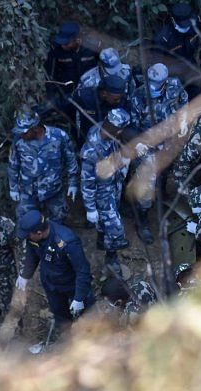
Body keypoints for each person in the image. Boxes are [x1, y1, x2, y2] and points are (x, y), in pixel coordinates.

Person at [14, 209, 95, 342]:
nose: (26, 238)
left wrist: (79, 298)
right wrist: (25, 275)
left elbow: (83, 271)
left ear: (39, 233)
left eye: (28, 235)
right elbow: (32, 255)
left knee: (89, 317)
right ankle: (67, 342)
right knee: (61, 317)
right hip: (52, 285)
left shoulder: (67, 241)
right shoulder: (33, 238)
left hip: (72, 285)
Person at [129, 63, 188, 243]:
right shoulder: (138, 96)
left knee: (164, 175)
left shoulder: (174, 87)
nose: (152, 87)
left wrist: (184, 119)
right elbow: (132, 126)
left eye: (156, 83)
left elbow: (184, 101)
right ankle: (142, 220)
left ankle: (159, 198)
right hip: (147, 147)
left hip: (168, 143)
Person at [80, 109, 131, 277]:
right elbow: (87, 182)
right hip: (102, 194)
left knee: (106, 221)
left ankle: (101, 238)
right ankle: (111, 259)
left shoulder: (106, 134)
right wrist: (90, 208)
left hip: (113, 186)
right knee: (116, 230)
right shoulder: (91, 151)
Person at [8, 110, 79, 223]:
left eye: (25, 132)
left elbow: (70, 159)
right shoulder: (18, 141)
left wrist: (73, 183)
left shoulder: (59, 136)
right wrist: (13, 188)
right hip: (28, 191)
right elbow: (13, 164)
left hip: (54, 190)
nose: (21, 134)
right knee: (24, 221)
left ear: (35, 128)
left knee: (59, 218)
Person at [43, 22, 101, 137]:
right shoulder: (56, 51)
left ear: (77, 39)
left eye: (67, 43)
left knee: (91, 120)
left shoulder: (92, 46)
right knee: (73, 121)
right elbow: (51, 75)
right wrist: (52, 97)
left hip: (90, 93)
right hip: (69, 94)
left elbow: (102, 66)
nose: (63, 45)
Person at [152, 3, 201, 98]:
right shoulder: (163, 39)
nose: (187, 27)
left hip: (190, 64)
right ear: (173, 21)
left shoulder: (193, 25)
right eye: (183, 25)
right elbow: (158, 66)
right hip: (172, 72)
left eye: (188, 23)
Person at [71, 75, 131, 146]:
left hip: (112, 138)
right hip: (87, 136)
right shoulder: (84, 97)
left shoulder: (123, 100)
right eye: (116, 99)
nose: (119, 101)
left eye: (120, 98)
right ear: (104, 93)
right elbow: (69, 107)